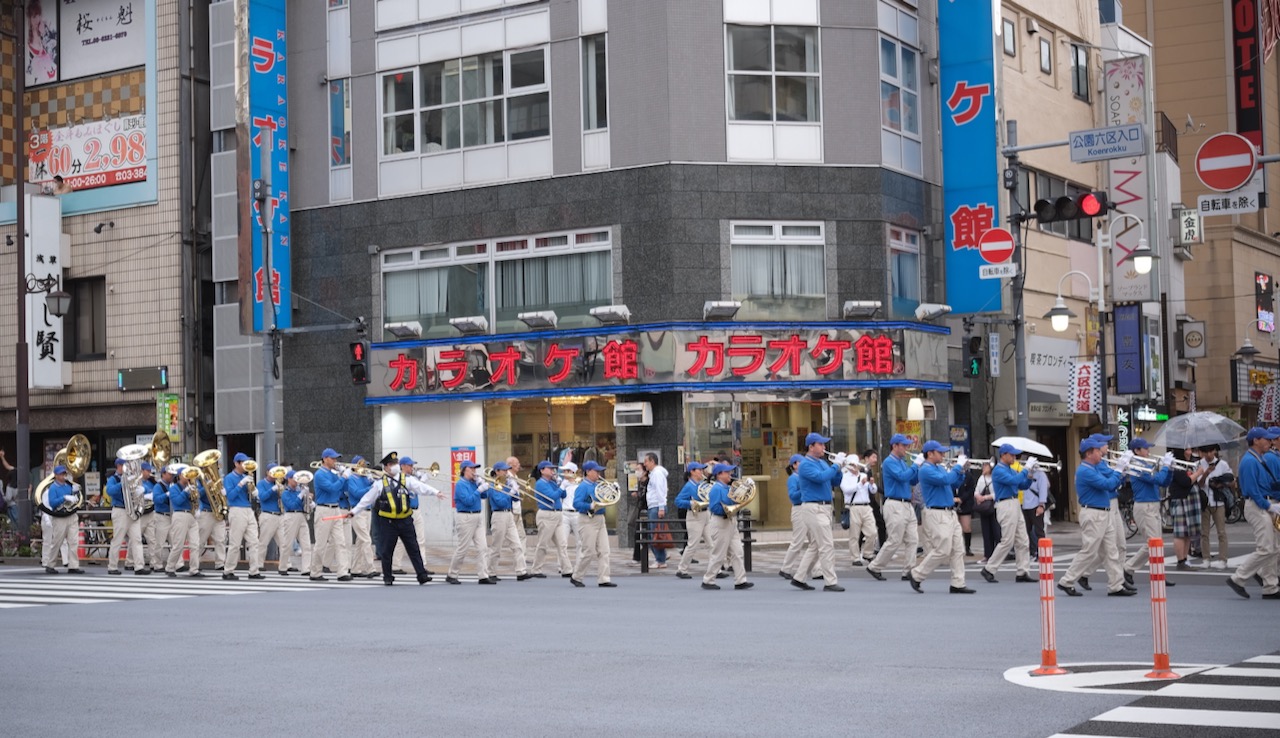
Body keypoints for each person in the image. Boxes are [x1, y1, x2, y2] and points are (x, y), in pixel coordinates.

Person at [1057, 437, 1134, 597]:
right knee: (1090, 551)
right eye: (1098, 451)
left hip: (1102, 512)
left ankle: (1116, 585)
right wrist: (1119, 469)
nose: (1101, 453)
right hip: (1093, 513)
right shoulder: (1085, 471)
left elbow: (1110, 479)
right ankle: (1067, 580)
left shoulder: (1094, 467)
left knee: (1111, 550)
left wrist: (1120, 471)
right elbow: (1108, 484)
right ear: (1089, 453)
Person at [347, 454, 432, 586]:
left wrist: (436, 492)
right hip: (388, 521)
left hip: (405, 519)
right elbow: (366, 498)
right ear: (386, 467)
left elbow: (420, 488)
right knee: (387, 549)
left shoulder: (405, 479)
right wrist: (354, 511)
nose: (395, 466)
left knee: (413, 548)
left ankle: (422, 575)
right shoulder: (379, 482)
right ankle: (387, 576)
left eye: (396, 463)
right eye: (392, 464)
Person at [907, 441, 973, 594]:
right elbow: (945, 480)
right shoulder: (925, 470)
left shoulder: (939, 468)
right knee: (943, 550)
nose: (943, 455)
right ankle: (916, 574)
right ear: (930, 453)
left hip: (949, 512)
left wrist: (962, 471)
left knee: (958, 549)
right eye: (940, 452)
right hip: (937, 513)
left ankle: (958, 583)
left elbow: (953, 483)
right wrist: (957, 467)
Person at [1226, 427, 1280, 599]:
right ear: (1256, 440)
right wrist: (1270, 506)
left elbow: (1265, 485)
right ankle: (1238, 578)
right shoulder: (1250, 461)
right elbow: (1252, 490)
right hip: (1257, 505)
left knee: (1273, 548)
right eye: (1266, 439)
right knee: (1266, 548)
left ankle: (1270, 587)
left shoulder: (1258, 459)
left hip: (1262, 504)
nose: (1269, 442)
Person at [789, 433, 844, 592]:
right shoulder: (806, 464)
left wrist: (839, 469)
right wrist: (836, 466)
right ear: (811, 446)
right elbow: (820, 478)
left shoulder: (823, 462)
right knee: (826, 545)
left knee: (815, 545)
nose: (824, 448)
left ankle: (799, 577)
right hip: (814, 507)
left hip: (824, 507)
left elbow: (834, 481)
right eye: (820, 444)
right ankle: (830, 581)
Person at [867, 434, 920, 582]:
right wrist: (915, 465)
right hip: (895, 504)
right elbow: (902, 477)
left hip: (907, 503)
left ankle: (908, 570)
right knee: (895, 539)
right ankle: (875, 566)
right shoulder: (889, 462)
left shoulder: (902, 462)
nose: (906, 448)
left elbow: (912, 480)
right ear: (895, 446)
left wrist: (919, 468)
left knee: (913, 539)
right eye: (904, 445)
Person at [980, 444, 1035, 584]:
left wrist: (1030, 474)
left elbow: (1022, 485)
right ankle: (989, 569)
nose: (1014, 457)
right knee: (1007, 540)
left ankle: (1022, 572)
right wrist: (1026, 468)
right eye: (1012, 455)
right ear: (1003, 455)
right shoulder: (998, 470)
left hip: (1015, 503)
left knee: (1023, 539)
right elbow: (1014, 481)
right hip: (1005, 504)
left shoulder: (1010, 469)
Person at [1123, 438, 1174, 585]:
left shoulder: (1145, 464)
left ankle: (1158, 575)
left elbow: (1164, 482)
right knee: (1152, 543)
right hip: (1145, 506)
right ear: (1137, 451)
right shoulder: (1136, 465)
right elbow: (1156, 479)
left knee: (1157, 543)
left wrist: (1169, 470)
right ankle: (1128, 568)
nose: (1148, 451)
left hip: (1153, 505)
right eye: (1146, 448)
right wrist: (1165, 466)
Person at [701, 463, 753, 591]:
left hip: (730, 521)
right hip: (720, 522)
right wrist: (729, 509)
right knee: (718, 554)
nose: (730, 474)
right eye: (727, 472)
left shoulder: (726, 487)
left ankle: (741, 580)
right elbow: (714, 507)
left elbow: (734, 501)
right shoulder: (716, 489)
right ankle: (708, 579)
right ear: (719, 475)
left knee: (737, 552)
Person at [570, 460, 616, 587]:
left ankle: (604, 578)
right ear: (588, 472)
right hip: (587, 520)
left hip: (600, 518)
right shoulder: (582, 487)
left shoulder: (598, 485)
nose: (598, 473)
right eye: (596, 471)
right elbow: (576, 504)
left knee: (604, 550)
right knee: (588, 550)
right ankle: (577, 576)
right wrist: (590, 505)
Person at [447, 460, 494, 585]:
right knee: (463, 547)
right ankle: (452, 573)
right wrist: (479, 490)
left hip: (478, 515)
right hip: (465, 517)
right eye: (471, 468)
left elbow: (485, 496)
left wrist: (482, 486)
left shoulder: (474, 483)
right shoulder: (460, 484)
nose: (474, 471)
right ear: (464, 470)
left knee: (483, 547)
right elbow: (468, 501)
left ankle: (483, 575)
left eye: (475, 468)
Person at [310, 448, 352, 582]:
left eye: (336, 458)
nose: (335, 461)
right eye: (333, 458)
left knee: (341, 542)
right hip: (324, 510)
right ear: (325, 459)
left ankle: (343, 572)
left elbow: (343, 489)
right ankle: (315, 572)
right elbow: (333, 488)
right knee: (321, 544)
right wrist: (343, 477)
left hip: (336, 508)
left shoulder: (333, 474)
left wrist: (344, 476)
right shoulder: (319, 474)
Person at [393, 457, 441, 574]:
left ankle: (422, 566)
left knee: (421, 539)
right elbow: (412, 491)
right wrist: (421, 482)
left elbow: (420, 490)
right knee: (400, 541)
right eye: (409, 465)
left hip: (416, 510)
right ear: (402, 466)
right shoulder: (398, 478)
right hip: (405, 511)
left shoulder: (412, 478)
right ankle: (395, 566)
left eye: (412, 465)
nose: (412, 468)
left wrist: (419, 480)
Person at [486, 461, 532, 581]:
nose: (507, 473)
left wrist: (514, 487)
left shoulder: (507, 483)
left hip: (509, 514)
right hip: (499, 515)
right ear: (497, 471)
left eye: (507, 470)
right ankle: (491, 572)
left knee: (517, 544)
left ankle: (521, 571)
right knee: (496, 546)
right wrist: (510, 491)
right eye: (504, 470)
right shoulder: (492, 485)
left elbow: (516, 498)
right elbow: (500, 502)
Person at [222, 453, 262, 581]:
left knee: (254, 541)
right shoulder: (229, 478)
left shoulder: (246, 476)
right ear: (236, 463)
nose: (246, 466)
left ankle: (254, 571)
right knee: (235, 543)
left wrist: (254, 491)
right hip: (236, 509)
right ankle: (228, 571)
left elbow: (252, 493)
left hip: (248, 509)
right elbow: (231, 496)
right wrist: (241, 484)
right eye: (243, 463)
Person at [106, 457, 148, 575]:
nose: (127, 469)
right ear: (119, 466)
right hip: (120, 511)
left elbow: (135, 492)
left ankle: (139, 566)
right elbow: (110, 491)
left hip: (133, 511)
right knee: (117, 539)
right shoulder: (113, 479)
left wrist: (139, 491)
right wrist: (123, 483)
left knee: (137, 539)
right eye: (125, 466)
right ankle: (112, 566)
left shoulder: (133, 478)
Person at [40, 465, 84, 574]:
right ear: (55, 475)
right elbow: (52, 503)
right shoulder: (53, 488)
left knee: (74, 541)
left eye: (64, 474)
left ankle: (73, 565)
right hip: (59, 517)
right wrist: (64, 497)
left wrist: (75, 493)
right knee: (57, 542)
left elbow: (75, 500)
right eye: (60, 474)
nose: (63, 476)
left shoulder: (69, 486)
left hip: (71, 515)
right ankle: (50, 564)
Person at [778, 454, 816, 582]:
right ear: (794, 465)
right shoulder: (793, 479)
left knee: (815, 541)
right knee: (798, 541)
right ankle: (785, 568)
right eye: (800, 462)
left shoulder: (804, 477)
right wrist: (805, 489)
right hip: (799, 509)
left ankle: (815, 570)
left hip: (807, 508)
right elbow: (793, 496)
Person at [1196, 444, 1233, 569]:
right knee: (1204, 532)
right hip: (1205, 501)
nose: (1208, 455)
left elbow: (1231, 480)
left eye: (1210, 451)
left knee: (1221, 531)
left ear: (1215, 451)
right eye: (1205, 452)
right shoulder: (1199, 464)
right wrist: (1206, 473)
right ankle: (1206, 558)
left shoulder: (1223, 465)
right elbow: (1199, 484)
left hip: (1219, 501)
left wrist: (1220, 483)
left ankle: (1223, 559)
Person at [530, 460, 569, 578]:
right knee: (543, 544)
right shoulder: (540, 483)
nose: (553, 471)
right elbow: (552, 497)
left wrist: (560, 484)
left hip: (557, 514)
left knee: (562, 544)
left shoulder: (552, 482)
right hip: (547, 515)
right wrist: (561, 487)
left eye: (553, 469)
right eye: (550, 469)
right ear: (542, 470)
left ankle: (567, 569)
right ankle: (536, 569)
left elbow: (563, 495)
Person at [675, 461, 713, 580]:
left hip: (705, 514)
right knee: (692, 545)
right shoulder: (689, 486)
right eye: (699, 470)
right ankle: (682, 569)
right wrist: (691, 503)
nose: (701, 472)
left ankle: (716, 568)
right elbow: (677, 501)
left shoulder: (702, 483)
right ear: (692, 472)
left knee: (712, 544)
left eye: (702, 470)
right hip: (694, 516)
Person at [165, 466, 203, 578]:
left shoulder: (192, 486)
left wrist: (198, 508)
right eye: (185, 475)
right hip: (180, 514)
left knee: (195, 544)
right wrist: (186, 492)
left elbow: (197, 498)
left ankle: (194, 569)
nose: (188, 477)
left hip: (192, 515)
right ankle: (170, 567)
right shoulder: (174, 488)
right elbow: (177, 501)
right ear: (180, 475)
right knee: (178, 544)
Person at [1166, 448, 1199, 571]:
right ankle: (1180, 560)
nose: (1190, 452)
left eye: (1191, 449)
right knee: (1180, 532)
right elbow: (1185, 481)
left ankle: (1185, 559)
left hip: (1190, 498)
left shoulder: (1189, 463)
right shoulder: (1176, 464)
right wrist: (1199, 472)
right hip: (1180, 499)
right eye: (1187, 449)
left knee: (1188, 532)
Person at [344, 456, 378, 578]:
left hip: (368, 511)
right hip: (357, 512)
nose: (364, 468)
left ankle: (355, 568)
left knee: (360, 541)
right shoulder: (351, 479)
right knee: (366, 539)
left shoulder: (366, 478)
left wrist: (374, 481)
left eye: (365, 465)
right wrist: (371, 486)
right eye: (361, 465)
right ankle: (370, 568)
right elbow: (356, 493)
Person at [255, 465, 289, 576]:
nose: (275, 475)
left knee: (284, 543)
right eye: (272, 472)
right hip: (268, 515)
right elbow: (262, 497)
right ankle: (259, 565)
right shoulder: (261, 483)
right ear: (267, 472)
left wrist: (282, 490)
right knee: (263, 542)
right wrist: (272, 489)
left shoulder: (278, 484)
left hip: (280, 515)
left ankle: (286, 565)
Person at [842, 458, 877, 566]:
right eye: (852, 464)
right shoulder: (845, 477)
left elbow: (873, 491)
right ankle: (855, 557)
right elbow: (846, 490)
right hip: (853, 507)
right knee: (854, 534)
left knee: (872, 532)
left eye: (856, 464)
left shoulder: (863, 475)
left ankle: (868, 553)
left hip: (866, 506)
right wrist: (859, 485)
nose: (855, 467)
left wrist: (872, 484)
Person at [279, 470, 314, 576]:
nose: (297, 481)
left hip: (301, 516)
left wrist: (309, 501)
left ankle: (306, 568)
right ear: (289, 479)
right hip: (291, 516)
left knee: (306, 544)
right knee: (287, 543)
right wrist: (301, 495)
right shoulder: (285, 492)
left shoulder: (299, 490)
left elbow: (305, 505)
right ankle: (283, 567)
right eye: (295, 479)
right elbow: (291, 505)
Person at [642, 453, 670, 569]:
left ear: (652, 461)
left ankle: (660, 560)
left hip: (656, 507)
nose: (645, 464)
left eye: (646, 462)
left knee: (656, 534)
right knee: (655, 533)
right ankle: (661, 557)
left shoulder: (657, 474)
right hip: (654, 506)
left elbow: (660, 491)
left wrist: (661, 507)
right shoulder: (654, 473)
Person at [147, 464, 173, 573]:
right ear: (163, 474)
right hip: (161, 516)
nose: (171, 476)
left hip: (171, 516)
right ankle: (157, 564)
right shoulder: (158, 486)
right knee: (159, 542)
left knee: (175, 542)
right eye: (169, 474)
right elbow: (156, 499)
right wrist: (166, 495)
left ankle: (178, 564)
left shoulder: (172, 485)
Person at [972, 463, 1000, 563]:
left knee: (996, 531)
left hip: (994, 506)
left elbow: (997, 493)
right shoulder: (981, 478)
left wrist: (985, 497)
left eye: (986, 466)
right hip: (984, 508)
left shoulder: (995, 478)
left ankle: (998, 554)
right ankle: (987, 555)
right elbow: (976, 490)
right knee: (986, 532)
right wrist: (978, 496)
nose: (984, 468)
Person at [557, 462, 582, 574]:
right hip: (565, 513)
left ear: (573, 472)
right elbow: (558, 496)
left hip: (577, 513)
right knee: (562, 541)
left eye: (567, 471)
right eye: (564, 471)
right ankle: (562, 566)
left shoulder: (580, 483)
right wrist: (562, 486)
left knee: (580, 542)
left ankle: (579, 565)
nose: (564, 473)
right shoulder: (562, 483)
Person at [1024, 464, 1049, 561]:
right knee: (1026, 531)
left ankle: (1041, 553)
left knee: (1039, 530)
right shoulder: (1024, 473)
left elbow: (1043, 490)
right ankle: (1032, 552)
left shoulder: (1041, 474)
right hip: (1025, 505)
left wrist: (1041, 505)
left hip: (1036, 504)